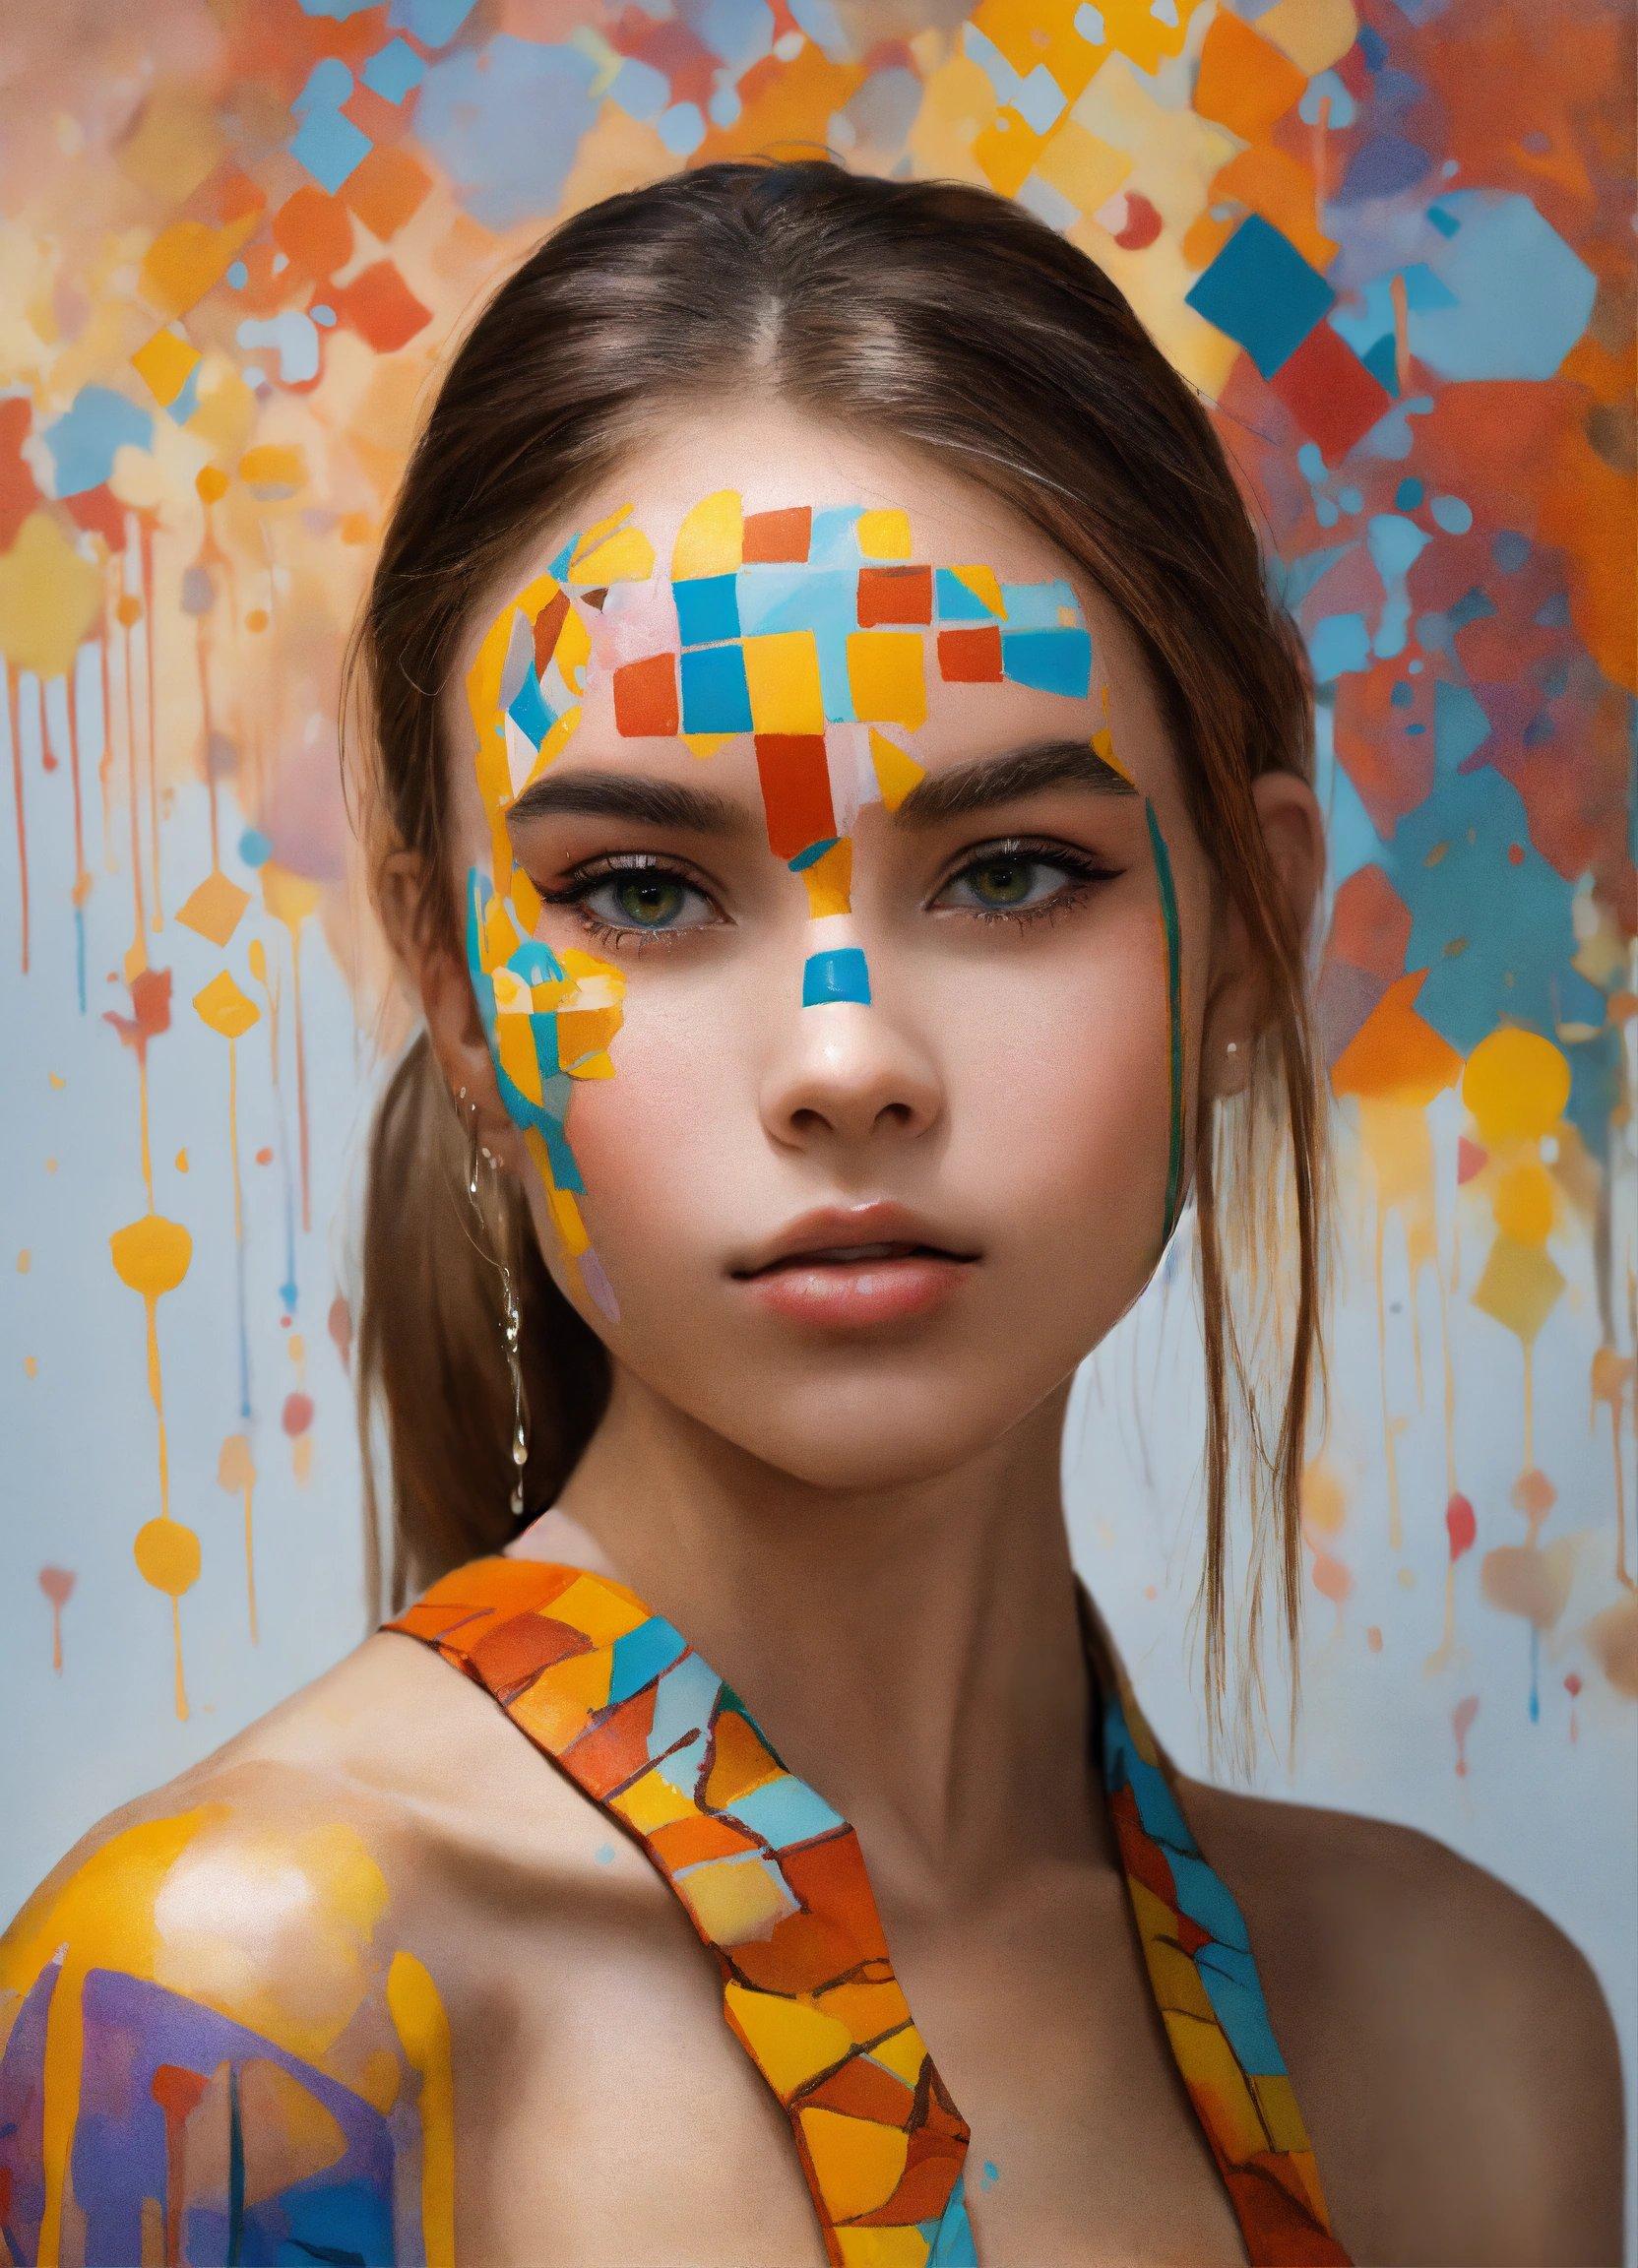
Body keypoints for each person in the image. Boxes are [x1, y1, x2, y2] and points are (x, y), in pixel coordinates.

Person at [1, 159, 1623, 2268]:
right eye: (642, 894)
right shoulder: (231, 2016)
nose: (847, 1057)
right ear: (456, 996)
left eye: (1015, 869)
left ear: (1251, 936)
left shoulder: (1460, 2038)